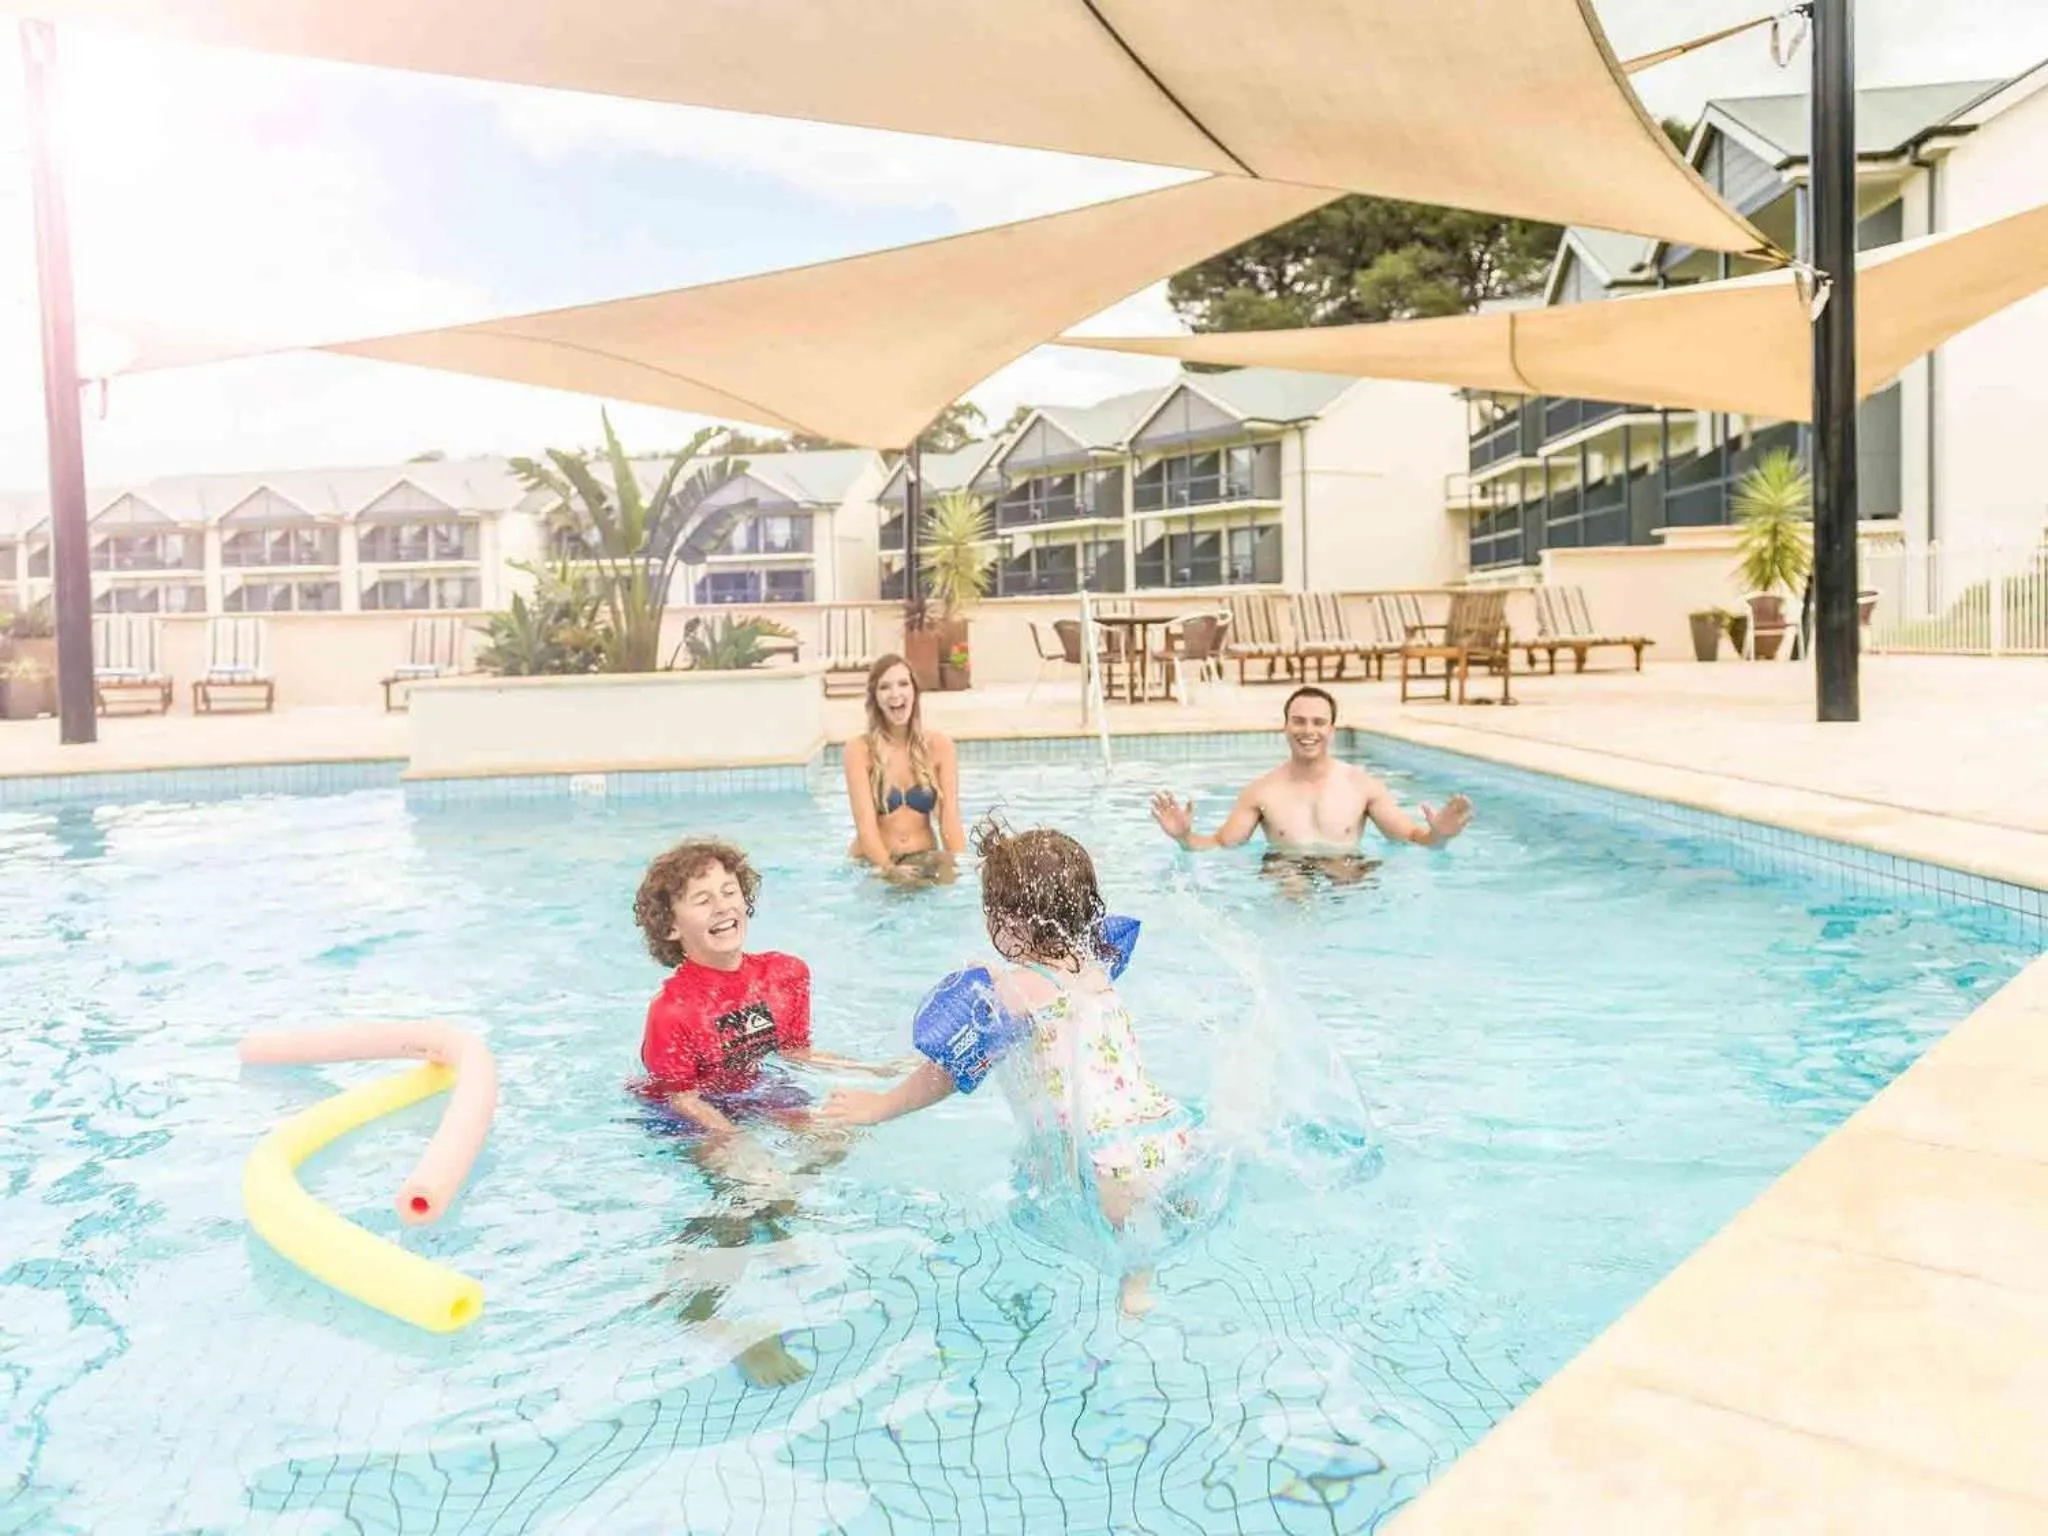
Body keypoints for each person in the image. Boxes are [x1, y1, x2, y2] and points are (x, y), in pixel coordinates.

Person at [819, 820, 1192, 1319]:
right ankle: (1140, 1276)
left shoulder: (1014, 994)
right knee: (1142, 1222)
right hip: (1161, 1142)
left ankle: (1126, 1279)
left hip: (1095, 1166)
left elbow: (952, 1069)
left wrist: (881, 1106)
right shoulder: (1096, 966)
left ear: (1008, 922)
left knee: (1056, 1231)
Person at [633, 836, 896, 1386]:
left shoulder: (784, 974)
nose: (723, 904)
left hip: (755, 1095)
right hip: (688, 1114)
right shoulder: (672, 1009)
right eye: (702, 899)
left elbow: (793, 1053)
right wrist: (732, 1139)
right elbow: (681, 1094)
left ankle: (775, 1221)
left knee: (840, 1135)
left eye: (729, 891)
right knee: (753, 1177)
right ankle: (705, 1314)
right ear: (672, 928)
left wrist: (871, 1072)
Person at [1149, 685, 1474, 886]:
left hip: (1348, 867)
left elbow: (1415, 840)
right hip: (1283, 867)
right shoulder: (1261, 791)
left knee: (1350, 884)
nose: (1309, 730)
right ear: (1285, 726)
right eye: (1299, 721)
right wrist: (1184, 838)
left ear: (1331, 730)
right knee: (1289, 886)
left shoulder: (1363, 787)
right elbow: (1222, 843)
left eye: (1318, 722)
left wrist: (1440, 835)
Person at [843, 654, 966, 883]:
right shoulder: (859, 750)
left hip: (924, 857)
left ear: (915, 692)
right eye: (885, 687)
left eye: (903, 684)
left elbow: (950, 821)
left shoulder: (940, 746)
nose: (895, 694)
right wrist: (888, 868)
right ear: (875, 698)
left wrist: (962, 867)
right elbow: (866, 827)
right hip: (874, 862)